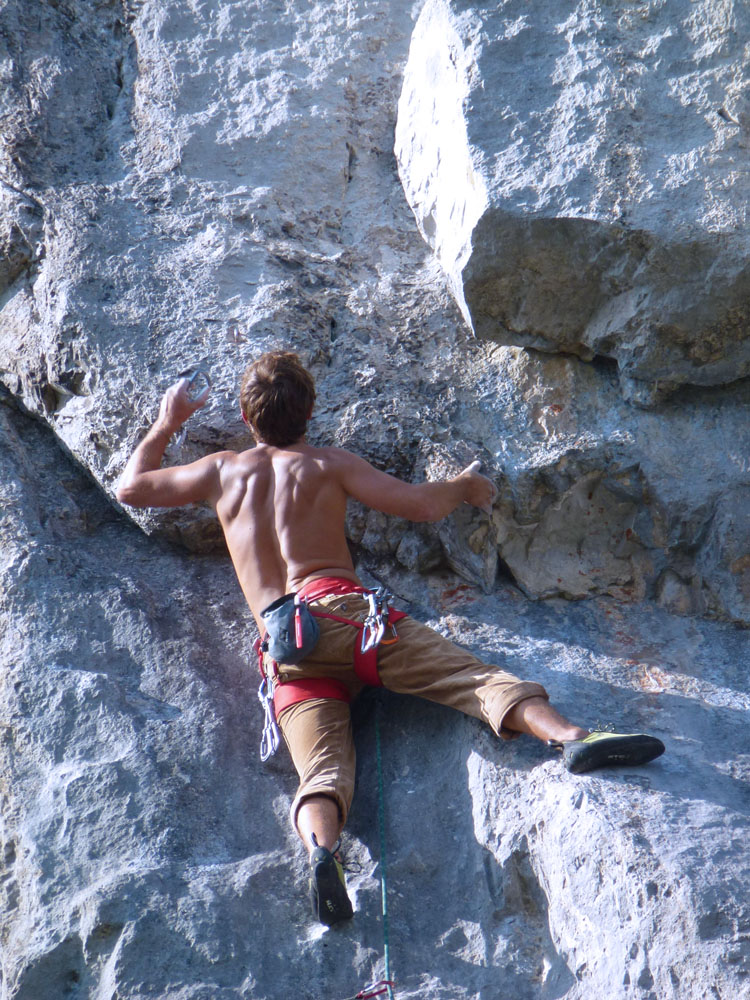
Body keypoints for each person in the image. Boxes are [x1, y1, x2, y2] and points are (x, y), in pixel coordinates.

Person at [117, 350, 665, 926]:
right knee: (472, 679)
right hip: (342, 615)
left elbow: (132, 488)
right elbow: (420, 505)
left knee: (322, 773)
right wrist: (464, 487)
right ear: (309, 412)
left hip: (285, 651)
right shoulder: (327, 465)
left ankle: (322, 853)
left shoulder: (221, 472)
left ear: (245, 416)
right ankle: (573, 738)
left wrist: (167, 421)